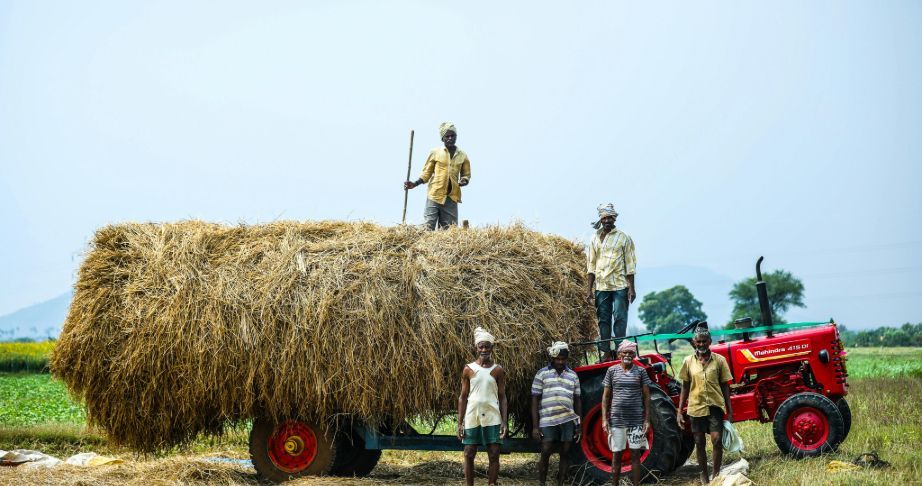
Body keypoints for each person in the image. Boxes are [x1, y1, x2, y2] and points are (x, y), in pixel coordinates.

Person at [677, 324, 734, 485]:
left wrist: (729, 410)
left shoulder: (719, 360)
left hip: (715, 406)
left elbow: (725, 386)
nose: (701, 344)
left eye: (704, 341)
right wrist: (679, 411)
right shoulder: (688, 361)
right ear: (694, 342)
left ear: (709, 342)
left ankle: (716, 474)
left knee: (717, 440)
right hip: (696, 408)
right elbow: (685, 386)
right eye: (699, 341)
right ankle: (703, 475)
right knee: (699, 442)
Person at [457, 326, 508, 486]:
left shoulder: (497, 370)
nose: (484, 350)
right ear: (476, 348)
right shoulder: (469, 369)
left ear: (492, 348)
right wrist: (459, 422)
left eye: (487, 347)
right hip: (473, 416)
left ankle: (491, 483)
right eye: (481, 347)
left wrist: (504, 421)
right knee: (469, 453)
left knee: (494, 453)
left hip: (492, 416)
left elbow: (502, 396)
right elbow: (463, 396)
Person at [586, 203, 637, 361]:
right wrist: (589, 289)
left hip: (620, 285)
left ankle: (621, 351)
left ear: (614, 218)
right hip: (601, 286)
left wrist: (632, 288)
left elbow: (630, 264)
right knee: (603, 319)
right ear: (600, 219)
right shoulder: (594, 238)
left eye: (610, 217)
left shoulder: (623, 237)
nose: (607, 220)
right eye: (604, 218)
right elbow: (591, 265)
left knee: (620, 317)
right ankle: (606, 352)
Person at [531, 341, 582, 486]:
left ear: (567, 359)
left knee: (565, 451)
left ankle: (560, 483)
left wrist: (579, 425)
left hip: (568, 418)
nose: (560, 362)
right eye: (557, 359)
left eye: (563, 359)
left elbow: (578, 400)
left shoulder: (573, 375)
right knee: (546, 449)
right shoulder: (542, 374)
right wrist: (535, 427)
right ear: (552, 358)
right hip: (547, 418)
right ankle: (542, 483)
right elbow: (534, 400)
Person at [404, 121, 472, 230]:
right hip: (435, 195)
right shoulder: (435, 152)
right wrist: (414, 184)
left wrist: (464, 181)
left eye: (452, 136)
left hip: (451, 197)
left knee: (449, 230)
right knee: (428, 226)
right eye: (447, 136)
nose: (450, 138)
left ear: (456, 136)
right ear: (442, 138)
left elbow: (466, 174)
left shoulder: (463, 156)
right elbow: (427, 173)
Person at [601, 340, 651, 486]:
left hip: (636, 420)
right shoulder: (612, 371)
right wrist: (604, 419)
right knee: (617, 455)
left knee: (635, 455)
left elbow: (647, 396)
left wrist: (647, 420)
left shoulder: (641, 371)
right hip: (617, 420)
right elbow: (605, 397)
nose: (627, 355)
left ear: (634, 355)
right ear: (619, 354)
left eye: (630, 353)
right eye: (625, 352)